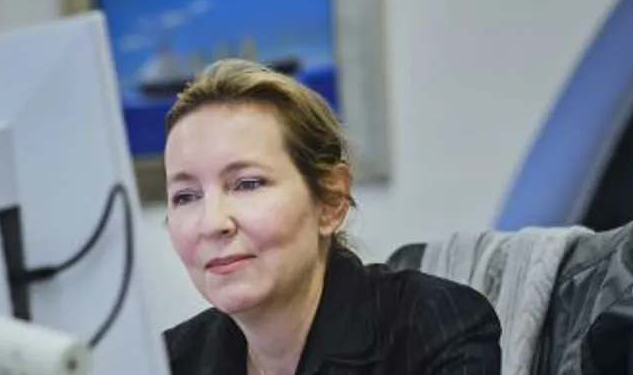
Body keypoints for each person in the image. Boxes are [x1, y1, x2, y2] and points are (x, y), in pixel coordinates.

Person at [158, 59, 502, 374]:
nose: (212, 222)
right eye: (186, 196)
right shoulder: (167, 360)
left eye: (248, 184)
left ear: (331, 199)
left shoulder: (434, 324)